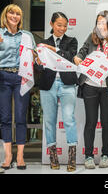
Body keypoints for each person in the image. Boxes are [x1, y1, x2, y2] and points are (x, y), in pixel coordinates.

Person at [74, 10, 108, 169]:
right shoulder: (92, 37)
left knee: (107, 122)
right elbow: (81, 53)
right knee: (90, 122)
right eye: (98, 22)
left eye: (104, 23)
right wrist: (78, 58)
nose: (100, 26)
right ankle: (89, 156)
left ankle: (105, 154)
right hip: (90, 86)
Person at [37, 12, 78, 172]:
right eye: (59, 25)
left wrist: (52, 49)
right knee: (49, 121)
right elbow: (38, 67)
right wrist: (38, 62)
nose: (62, 28)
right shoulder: (42, 43)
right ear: (51, 24)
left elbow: (70, 57)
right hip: (48, 84)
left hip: (67, 83)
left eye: (65, 25)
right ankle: (53, 156)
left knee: (69, 119)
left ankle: (72, 158)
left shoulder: (71, 41)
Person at [0, 4, 36, 171]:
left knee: (21, 117)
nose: (14, 16)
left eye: (18, 14)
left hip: (21, 77)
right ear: (5, 15)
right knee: (5, 118)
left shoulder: (27, 35)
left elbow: (34, 57)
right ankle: (8, 156)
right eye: (11, 13)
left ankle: (20, 156)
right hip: (3, 77)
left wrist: (38, 55)